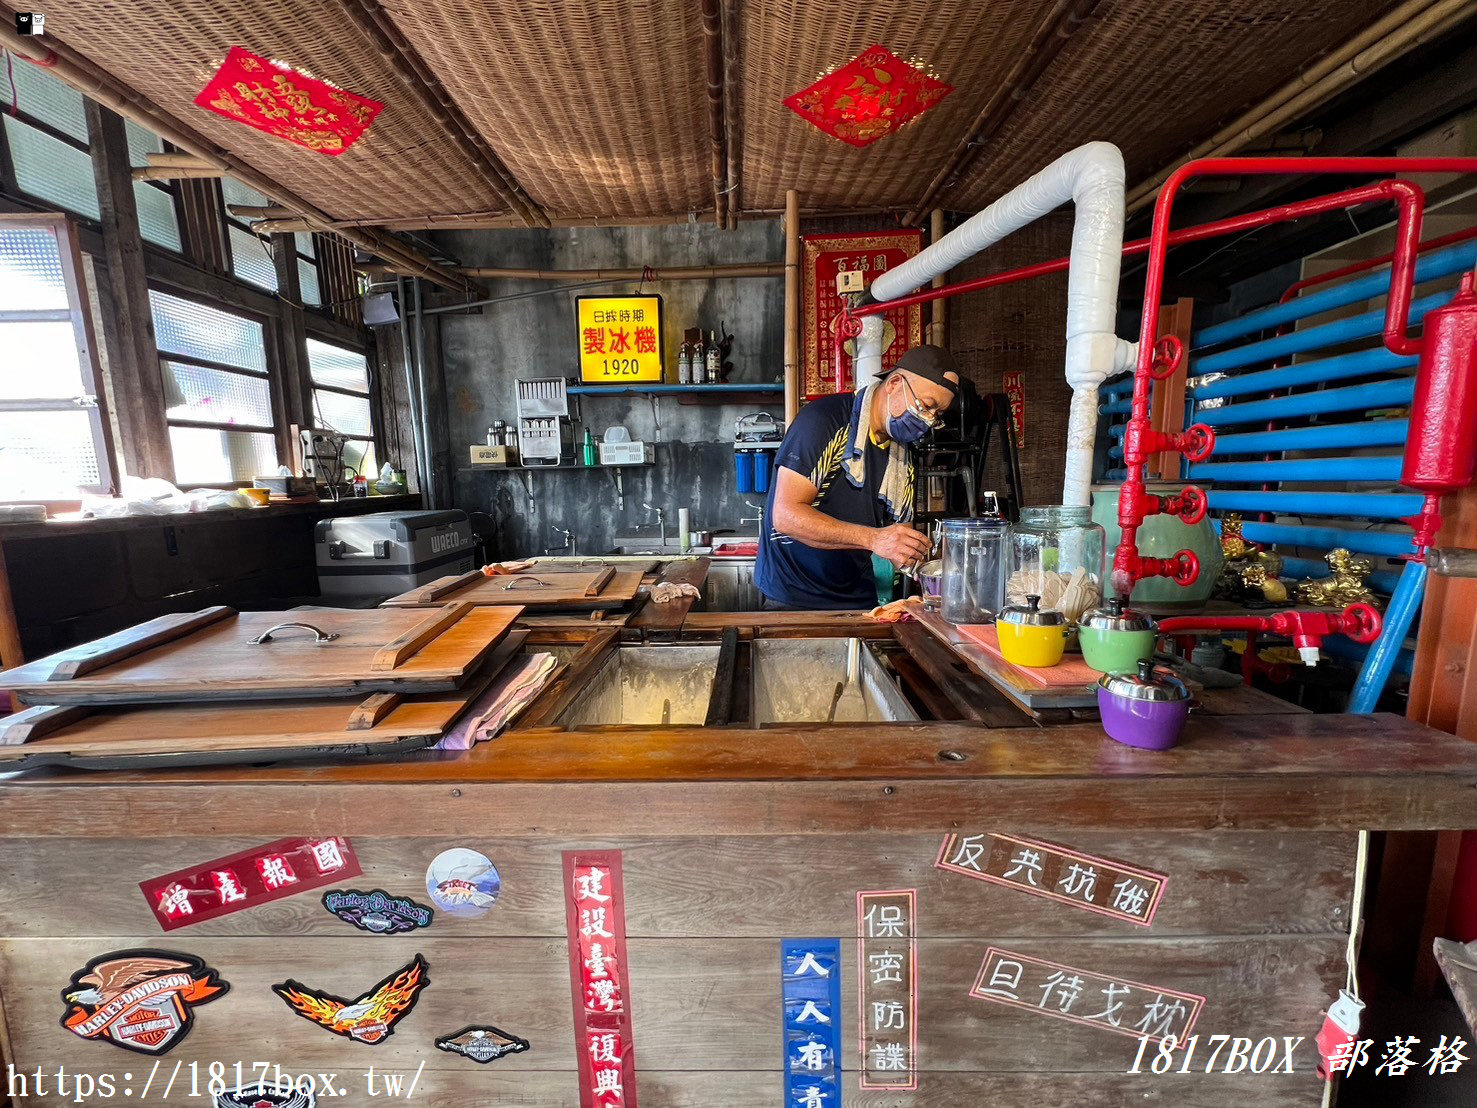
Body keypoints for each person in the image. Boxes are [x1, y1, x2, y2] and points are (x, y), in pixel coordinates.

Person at [754, 345, 960, 610]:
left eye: (937, 415)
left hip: (857, 597)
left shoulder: (903, 454)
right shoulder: (824, 421)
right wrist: (875, 539)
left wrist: (934, 568)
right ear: (895, 383)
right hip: (794, 596)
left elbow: (900, 537)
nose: (929, 420)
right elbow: (785, 516)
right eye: (926, 406)